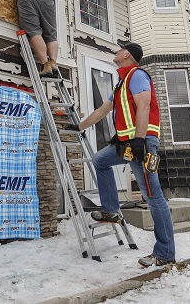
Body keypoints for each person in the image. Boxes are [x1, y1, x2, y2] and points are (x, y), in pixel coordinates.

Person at [77, 40, 176, 267]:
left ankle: (165, 253)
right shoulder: (121, 83)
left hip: (142, 144)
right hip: (127, 144)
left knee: (153, 196)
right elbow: (102, 111)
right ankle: (111, 210)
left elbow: (144, 106)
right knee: (100, 160)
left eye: (121, 49)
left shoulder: (137, 76)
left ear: (127, 55)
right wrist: (79, 127)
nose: (117, 50)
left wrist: (140, 140)